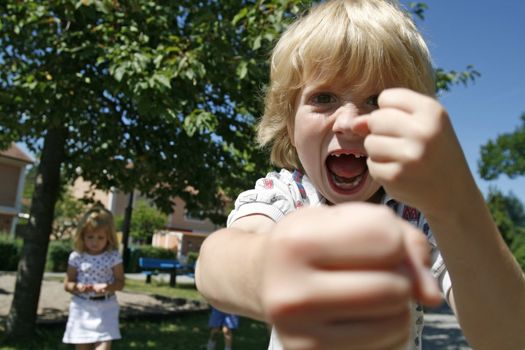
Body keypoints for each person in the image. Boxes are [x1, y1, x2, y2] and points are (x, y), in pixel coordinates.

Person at [195, 0, 525, 349]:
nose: (350, 122)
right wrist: (275, 271)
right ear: (290, 125)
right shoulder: (286, 194)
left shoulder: (419, 215)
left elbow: (510, 338)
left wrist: (456, 204)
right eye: (324, 97)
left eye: (377, 100)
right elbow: (214, 265)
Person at [63, 207, 125, 350]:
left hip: (106, 307)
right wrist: (77, 287)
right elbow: (68, 283)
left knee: (103, 346)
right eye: (90, 237)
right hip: (81, 307)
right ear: (82, 236)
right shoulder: (76, 256)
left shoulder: (113, 256)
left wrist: (107, 287)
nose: (94, 242)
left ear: (109, 237)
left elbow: (120, 283)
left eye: (100, 237)